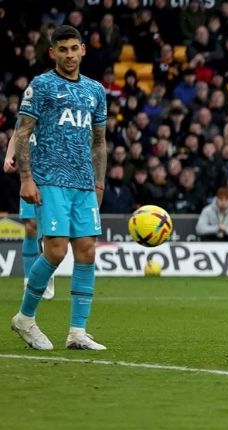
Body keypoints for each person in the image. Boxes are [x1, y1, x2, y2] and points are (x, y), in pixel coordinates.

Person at [11, 25, 108, 350]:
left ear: (83, 49)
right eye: (62, 49)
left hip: (83, 182)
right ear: (52, 52)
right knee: (55, 250)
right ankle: (25, 318)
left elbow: (99, 142)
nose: (69, 55)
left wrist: (99, 182)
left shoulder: (95, 90)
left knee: (87, 251)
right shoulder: (41, 86)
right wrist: (26, 177)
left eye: (73, 48)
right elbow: (23, 134)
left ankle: (77, 332)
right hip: (50, 178)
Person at [3, 133, 55, 300]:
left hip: (52, 180)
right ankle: (28, 281)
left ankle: (46, 275)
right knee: (30, 226)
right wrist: (8, 157)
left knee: (47, 229)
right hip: (29, 178)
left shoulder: (54, 115)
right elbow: (17, 135)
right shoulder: (27, 114)